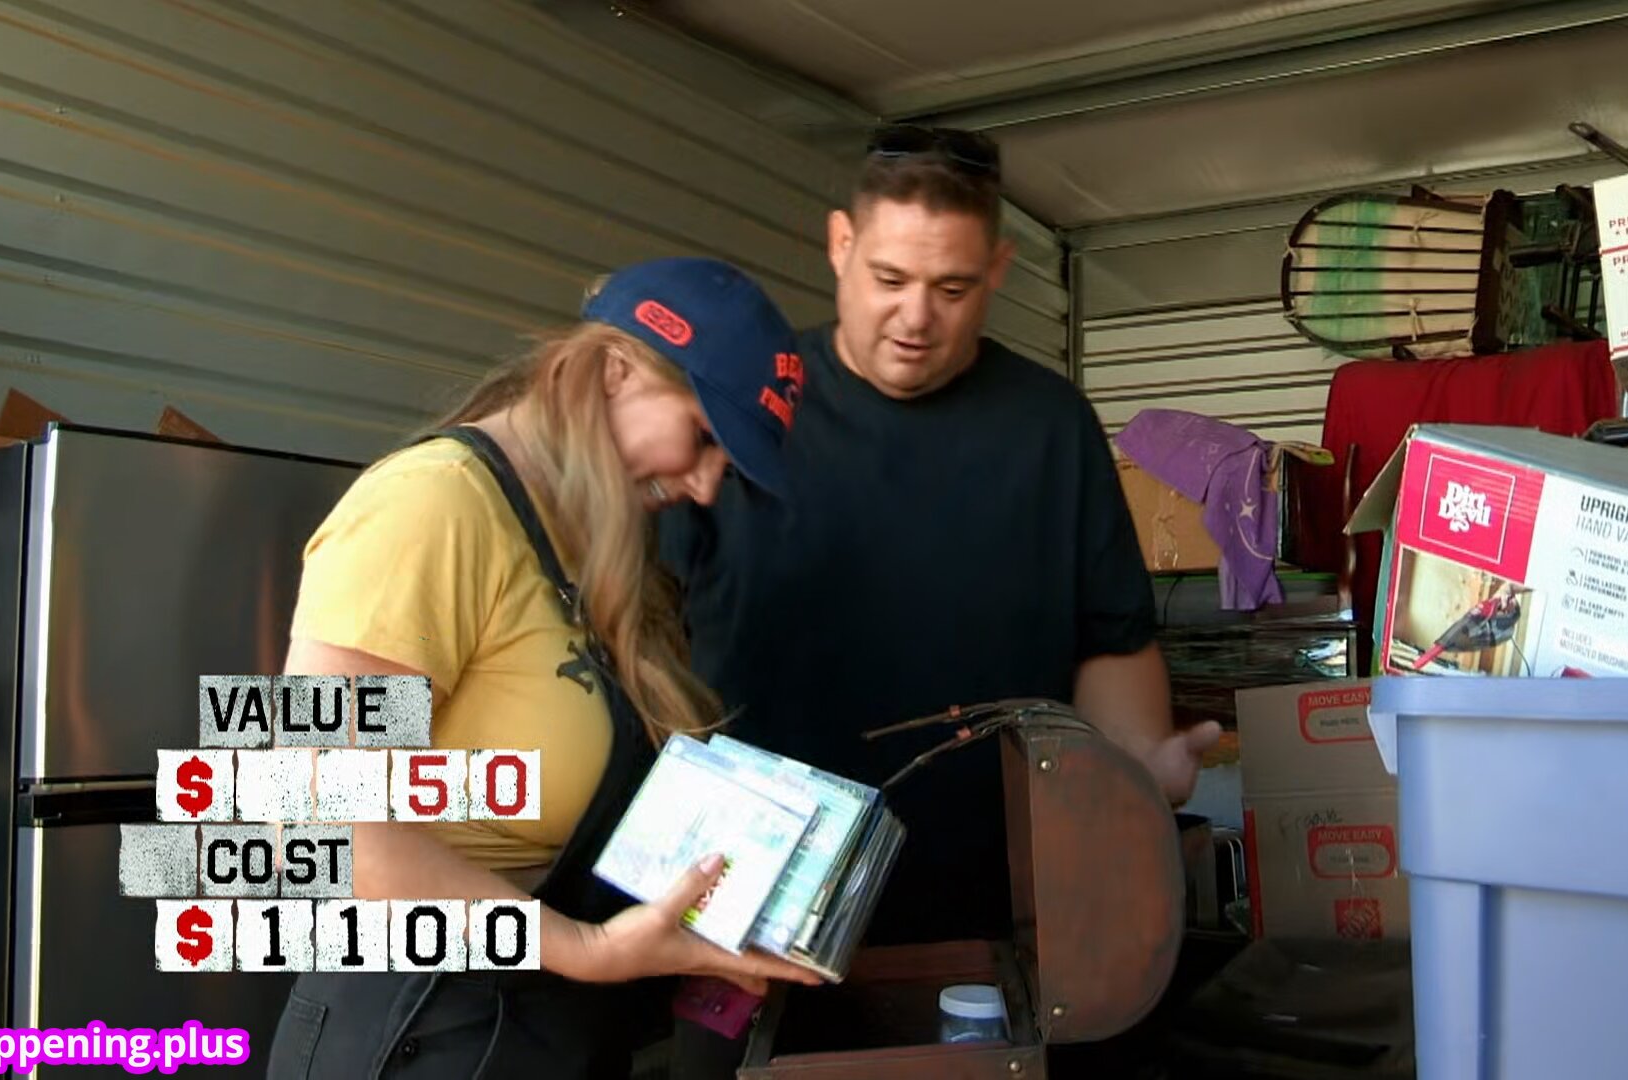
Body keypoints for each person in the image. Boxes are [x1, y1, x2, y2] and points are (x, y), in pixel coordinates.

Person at [658, 125, 1223, 1074]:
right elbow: (645, 641)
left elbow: (1112, 639)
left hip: (995, 919)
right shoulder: (744, 408)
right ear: (840, 244)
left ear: (996, 269)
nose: (915, 317)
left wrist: (1133, 773)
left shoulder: (1050, 426)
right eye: (889, 278)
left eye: (952, 288)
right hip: (750, 917)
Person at [264, 257, 823, 1080]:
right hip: (417, 1034)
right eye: (703, 437)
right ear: (615, 369)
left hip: (539, 1034)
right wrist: (583, 947)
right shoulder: (433, 505)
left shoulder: (577, 542)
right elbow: (305, 821)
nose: (708, 487)